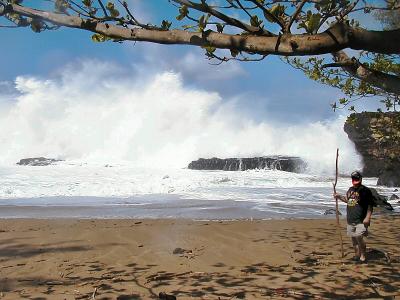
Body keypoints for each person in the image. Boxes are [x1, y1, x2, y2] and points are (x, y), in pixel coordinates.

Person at [334, 171, 373, 263]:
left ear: (360, 179)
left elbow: (370, 206)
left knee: (359, 236)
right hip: (350, 218)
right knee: (353, 239)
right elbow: (348, 201)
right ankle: (357, 255)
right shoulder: (350, 189)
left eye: (356, 178)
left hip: (361, 219)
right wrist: (339, 196)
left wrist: (368, 218)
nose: (355, 180)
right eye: (353, 178)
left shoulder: (365, 191)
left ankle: (363, 256)